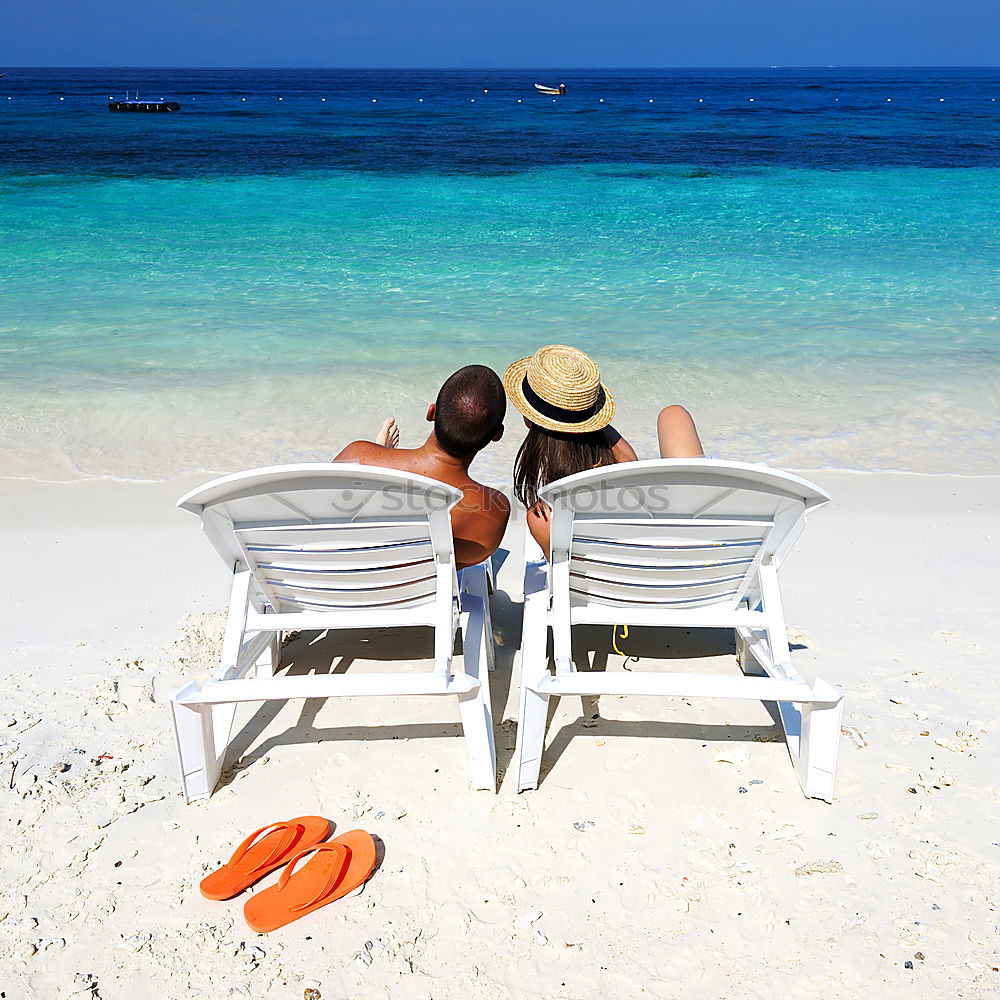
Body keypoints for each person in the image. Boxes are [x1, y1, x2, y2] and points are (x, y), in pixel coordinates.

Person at [503, 344, 703, 558]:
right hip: (684, 562)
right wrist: (583, 414)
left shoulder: (543, 517)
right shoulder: (628, 478)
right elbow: (628, 460)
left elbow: (562, 577)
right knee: (674, 416)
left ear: (528, 417)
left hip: (606, 586)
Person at [335, 365, 510, 569]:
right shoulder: (493, 511)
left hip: (332, 591)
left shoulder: (355, 456)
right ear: (497, 435)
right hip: (412, 598)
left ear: (431, 412)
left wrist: (379, 456)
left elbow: (334, 524)